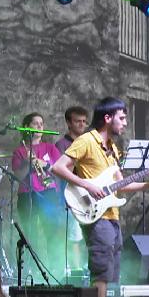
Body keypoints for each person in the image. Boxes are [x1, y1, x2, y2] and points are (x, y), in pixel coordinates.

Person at [51, 97, 149, 297]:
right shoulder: (86, 141)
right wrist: (87, 185)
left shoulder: (112, 149)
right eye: (122, 118)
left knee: (110, 275)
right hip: (95, 215)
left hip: (111, 215)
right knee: (101, 272)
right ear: (107, 118)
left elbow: (119, 187)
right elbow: (58, 167)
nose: (125, 123)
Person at [10, 113, 65, 275]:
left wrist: (44, 164)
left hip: (48, 194)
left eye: (41, 123)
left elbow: (60, 170)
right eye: (35, 124)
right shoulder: (20, 151)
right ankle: (31, 271)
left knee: (53, 232)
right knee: (30, 234)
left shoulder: (50, 148)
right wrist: (29, 163)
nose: (40, 127)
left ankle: (56, 270)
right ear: (27, 127)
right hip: (27, 195)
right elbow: (18, 176)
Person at [56, 106, 90, 272]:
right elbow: (63, 171)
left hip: (90, 196)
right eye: (78, 121)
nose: (82, 125)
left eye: (84, 121)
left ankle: (87, 269)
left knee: (89, 236)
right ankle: (77, 271)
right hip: (72, 196)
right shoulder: (61, 145)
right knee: (75, 236)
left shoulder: (89, 143)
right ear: (68, 123)